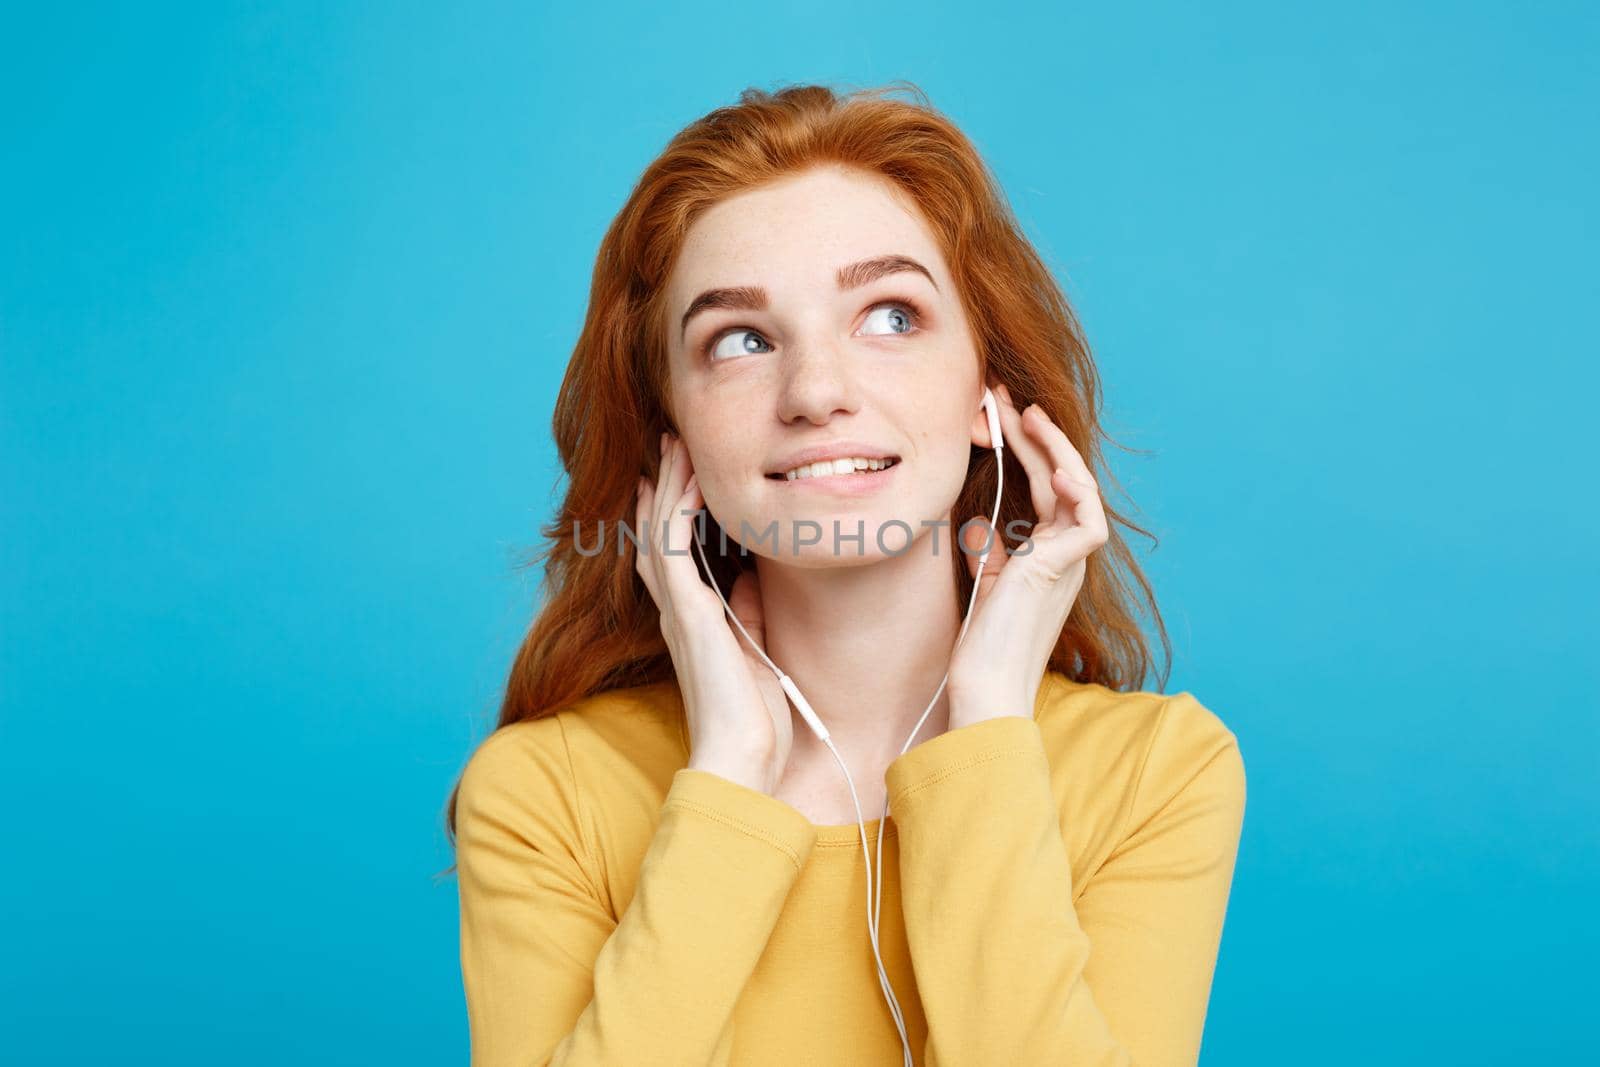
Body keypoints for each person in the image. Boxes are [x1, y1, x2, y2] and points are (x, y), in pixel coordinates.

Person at [443, 81, 1246, 1067]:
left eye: (891, 316)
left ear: (986, 395)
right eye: (741, 340)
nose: (817, 391)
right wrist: (728, 772)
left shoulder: (1152, 775)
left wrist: (988, 719)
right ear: (673, 432)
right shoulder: (547, 797)